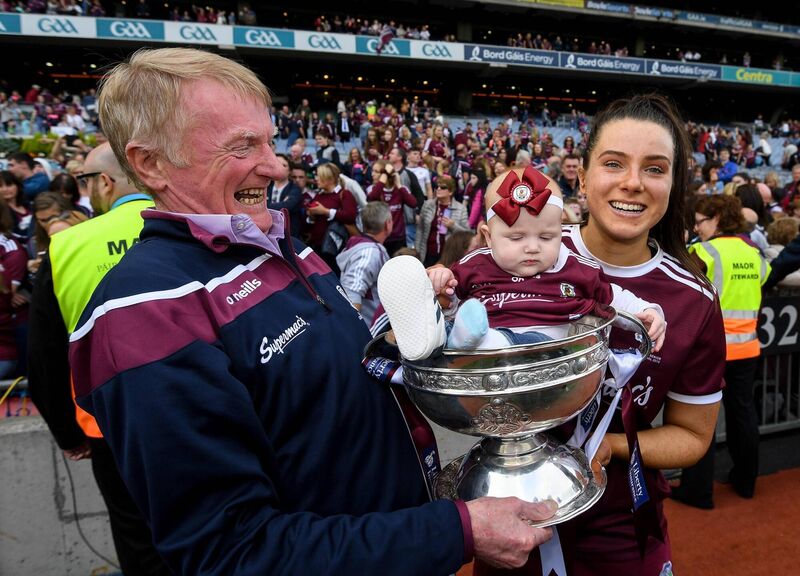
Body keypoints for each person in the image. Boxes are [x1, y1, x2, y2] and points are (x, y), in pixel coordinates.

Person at [68, 47, 556, 575]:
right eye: (241, 146)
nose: (276, 165)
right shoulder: (143, 313)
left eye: (269, 141)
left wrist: (405, 335)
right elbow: (234, 554)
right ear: (151, 163)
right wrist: (456, 532)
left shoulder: (284, 247)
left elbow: (326, 403)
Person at [27, 143, 168, 575]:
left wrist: (67, 433)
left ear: (105, 181)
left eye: (85, 180)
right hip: (202, 413)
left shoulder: (67, 246)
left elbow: (45, 357)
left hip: (109, 424)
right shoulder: (195, 227)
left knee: (137, 540)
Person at [378, 167, 665, 363]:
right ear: (489, 238)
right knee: (456, 321)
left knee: (506, 339)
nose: (532, 246)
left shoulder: (576, 268)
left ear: (561, 230)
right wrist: (440, 280)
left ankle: (460, 338)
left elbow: (614, 296)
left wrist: (650, 311)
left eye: (546, 236)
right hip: (478, 362)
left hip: (545, 356)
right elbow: (452, 297)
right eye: (516, 237)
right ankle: (427, 334)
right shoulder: (474, 264)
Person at [672, 194, 769, 509]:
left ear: (716, 218)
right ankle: (746, 482)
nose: (698, 227)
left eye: (701, 221)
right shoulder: (753, 252)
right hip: (748, 347)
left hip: (711, 351)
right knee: (744, 414)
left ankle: (698, 491)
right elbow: (765, 278)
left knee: (701, 420)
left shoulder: (703, 251)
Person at [336, 201, 392, 327]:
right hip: (367, 332)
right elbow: (351, 295)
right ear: (387, 224)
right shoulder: (369, 253)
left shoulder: (365, 247)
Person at [416, 175, 470, 266]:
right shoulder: (427, 205)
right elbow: (420, 230)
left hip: (449, 256)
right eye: (437, 187)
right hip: (427, 254)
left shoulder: (461, 209)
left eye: (443, 187)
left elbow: (467, 235)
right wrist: (417, 252)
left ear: (451, 191)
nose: (438, 189)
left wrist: (453, 226)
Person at [367, 160, 417, 256]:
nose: (372, 174)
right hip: (380, 237)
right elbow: (371, 199)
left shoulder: (401, 189)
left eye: (376, 172)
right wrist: (384, 177)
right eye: (372, 171)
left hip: (398, 238)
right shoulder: (374, 189)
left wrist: (398, 184)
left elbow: (413, 203)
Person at [266, 153, 304, 237]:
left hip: (288, 235)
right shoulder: (265, 187)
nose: (279, 167)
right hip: (266, 233)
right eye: (276, 163)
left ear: (289, 171)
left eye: (283, 165)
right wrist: (281, 204)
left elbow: (287, 206)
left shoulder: (295, 189)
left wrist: (265, 206)